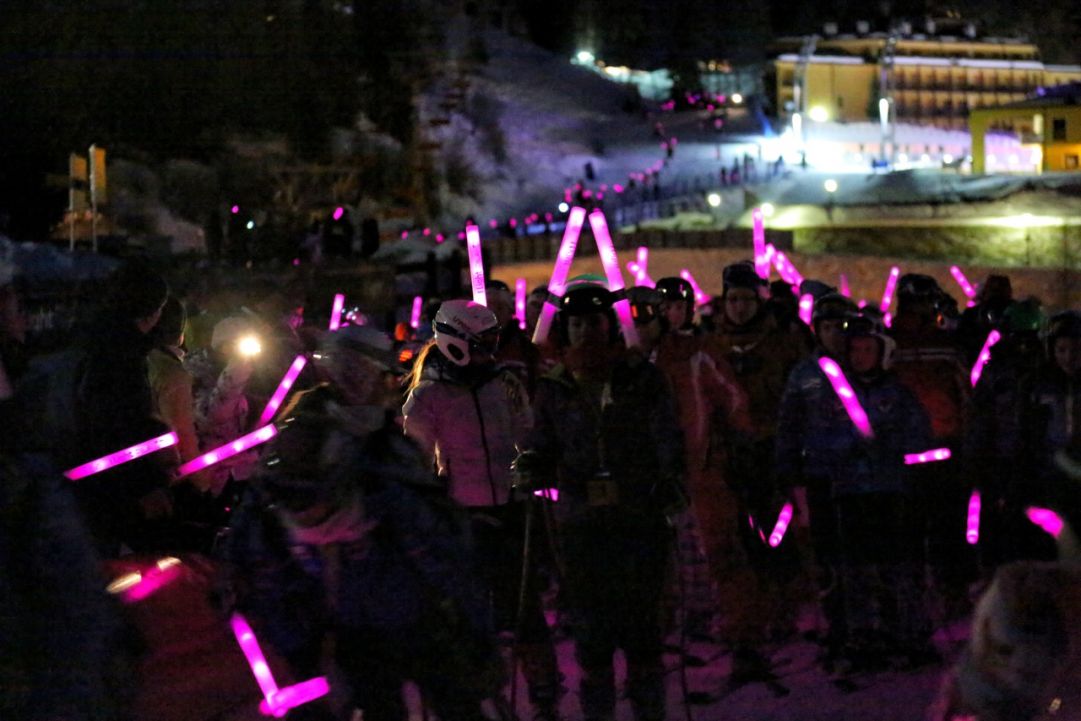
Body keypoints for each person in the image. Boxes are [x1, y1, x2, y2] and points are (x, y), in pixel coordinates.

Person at [222, 326, 500, 720]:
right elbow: (437, 542)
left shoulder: (381, 443)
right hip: (366, 622)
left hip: (398, 616)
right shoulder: (313, 443)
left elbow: (435, 535)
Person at [519, 284, 684, 721]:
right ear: (564, 330)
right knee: (592, 630)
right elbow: (542, 439)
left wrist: (669, 479)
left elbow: (666, 433)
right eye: (575, 324)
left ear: (609, 325)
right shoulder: (554, 386)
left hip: (637, 514)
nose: (585, 332)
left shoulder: (639, 377)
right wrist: (533, 462)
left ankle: (650, 709)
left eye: (593, 322)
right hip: (581, 520)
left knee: (642, 625)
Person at [402, 299, 562, 720]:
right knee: (474, 615)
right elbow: (416, 457)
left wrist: (530, 463)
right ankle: (483, 696)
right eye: (482, 343)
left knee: (525, 608)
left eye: (493, 342)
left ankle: (545, 695)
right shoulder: (429, 396)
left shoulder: (503, 382)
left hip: (512, 508)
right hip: (464, 517)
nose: (491, 352)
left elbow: (526, 431)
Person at [20, 258, 175, 555]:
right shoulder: (122, 355)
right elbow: (119, 421)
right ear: (153, 311)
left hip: (66, 472)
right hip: (103, 485)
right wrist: (144, 485)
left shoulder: (81, 339)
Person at [822, 313, 935, 670]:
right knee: (855, 568)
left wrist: (889, 445)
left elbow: (919, 435)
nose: (860, 356)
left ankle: (909, 632)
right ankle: (862, 634)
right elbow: (822, 435)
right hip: (851, 491)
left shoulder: (898, 393)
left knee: (899, 566)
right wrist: (846, 447)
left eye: (867, 349)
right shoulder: (837, 395)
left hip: (891, 490)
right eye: (855, 350)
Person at [710, 261, 809, 643]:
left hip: (772, 450)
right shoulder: (713, 342)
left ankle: (785, 605)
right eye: (732, 299)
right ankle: (747, 611)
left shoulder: (782, 342)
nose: (739, 307)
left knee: (777, 530)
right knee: (737, 533)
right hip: (729, 453)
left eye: (746, 299)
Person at [775, 292, 859, 664]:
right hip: (818, 475)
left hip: (860, 477)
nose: (835, 334)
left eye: (841, 326)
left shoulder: (864, 366)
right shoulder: (804, 374)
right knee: (825, 555)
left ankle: (864, 627)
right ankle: (835, 627)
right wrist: (790, 470)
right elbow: (789, 425)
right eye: (827, 327)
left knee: (858, 554)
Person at [889, 273, 973, 617]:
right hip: (917, 447)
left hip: (937, 445)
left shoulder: (941, 341)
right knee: (928, 528)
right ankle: (926, 596)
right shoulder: (892, 342)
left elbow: (965, 392)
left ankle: (939, 594)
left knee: (938, 526)